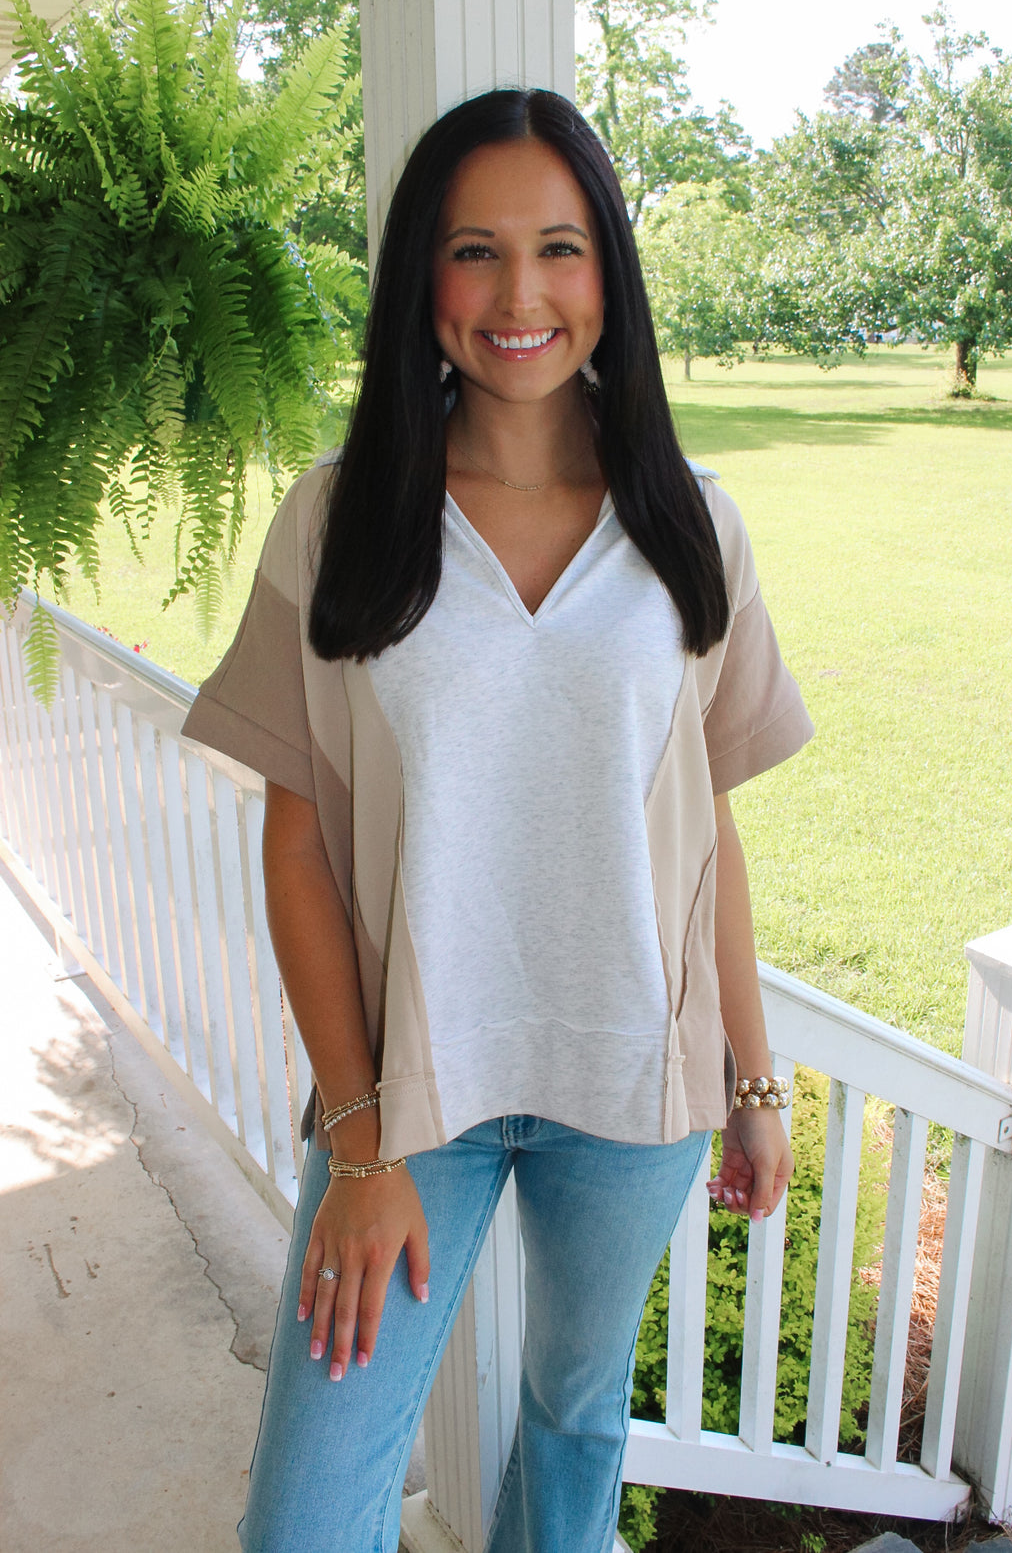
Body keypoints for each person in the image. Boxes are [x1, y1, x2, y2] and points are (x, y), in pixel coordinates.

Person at [181, 87, 812, 1553]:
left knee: (577, 1425)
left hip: (634, 1092)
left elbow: (704, 829)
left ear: (611, 274)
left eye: (560, 248)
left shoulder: (690, 525)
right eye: (474, 251)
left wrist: (758, 1083)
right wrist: (358, 1139)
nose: (519, 296)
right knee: (311, 1509)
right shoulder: (341, 520)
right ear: (422, 275)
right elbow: (295, 838)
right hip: (412, 1096)